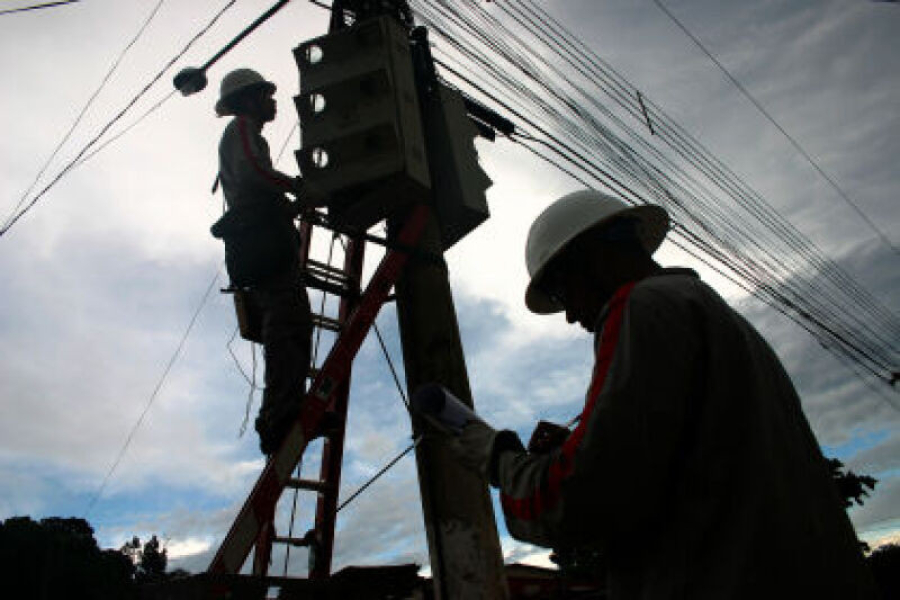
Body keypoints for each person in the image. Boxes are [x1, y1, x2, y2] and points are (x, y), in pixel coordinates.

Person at [439, 190, 878, 598]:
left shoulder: (640, 307)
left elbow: (579, 498)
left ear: (592, 258)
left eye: (561, 291)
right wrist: (575, 451)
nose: (571, 316)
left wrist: (498, 458)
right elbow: (675, 463)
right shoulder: (717, 317)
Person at [210, 68, 324, 455]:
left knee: (294, 329)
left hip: (264, 241)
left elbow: (257, 185)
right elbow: (255, 175)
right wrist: (296, 185)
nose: (273, 102)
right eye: (265, 95)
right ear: (246, 100)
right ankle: (279, 416)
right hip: (262, 244)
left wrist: (292, 201)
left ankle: (286, 410)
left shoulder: (248, 134)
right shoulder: (242, 127)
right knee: (287, 326)